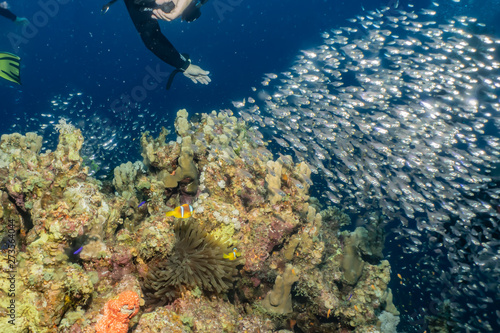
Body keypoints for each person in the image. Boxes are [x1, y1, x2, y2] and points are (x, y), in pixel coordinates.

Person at [104, 0, 211, 87]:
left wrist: (184, 65)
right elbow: (151, 38)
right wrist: (184, 65)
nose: (160, 2)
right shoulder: (139, 3)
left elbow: (152, 39)